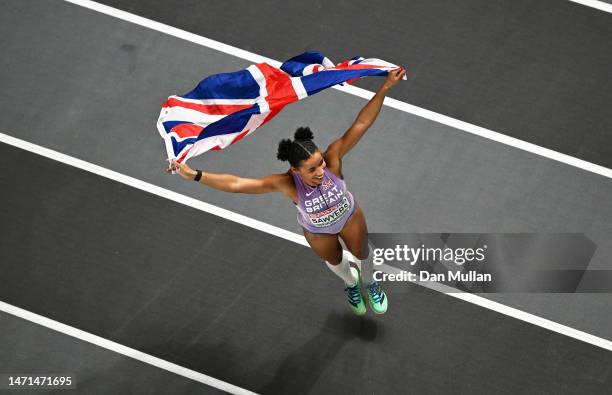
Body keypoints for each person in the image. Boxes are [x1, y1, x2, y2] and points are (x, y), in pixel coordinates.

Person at [167, 67, 406, 315]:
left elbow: (361, 123)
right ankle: (351, 283)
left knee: (363, 254)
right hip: (317, 231)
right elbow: (237, 184)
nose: (321, 170)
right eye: (312, 168)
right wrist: (194, 175)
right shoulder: (286, 183)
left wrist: (386, 86)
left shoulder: (333, 159)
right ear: (295, 170)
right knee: (336, 262)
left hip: (349, 219)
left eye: (320, 163)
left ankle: (370, 283)